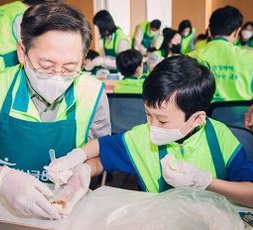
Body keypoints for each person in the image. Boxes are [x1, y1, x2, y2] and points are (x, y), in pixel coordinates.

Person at [0, 2, 111, 219]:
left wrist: (85, 170)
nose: (58, 76)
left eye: (70, 68)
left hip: (64, 211)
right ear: (22, 53)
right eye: (46, 66)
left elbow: (101, 154)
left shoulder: (93, 92)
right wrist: (0, 179)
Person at [47, 56, 253, 209]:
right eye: (148, 115)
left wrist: (206, 182)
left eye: (162, 120)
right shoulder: (140, 138)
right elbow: (102, 148)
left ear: (197, 118)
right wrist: (79, 162)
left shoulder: (221, 138)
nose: (152, 126)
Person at [188, 6, 253, 101]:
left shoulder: (190, 58)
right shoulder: (250, 58)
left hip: (201, 115)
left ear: (209, 31)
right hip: (241, 115)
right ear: (237, 32)